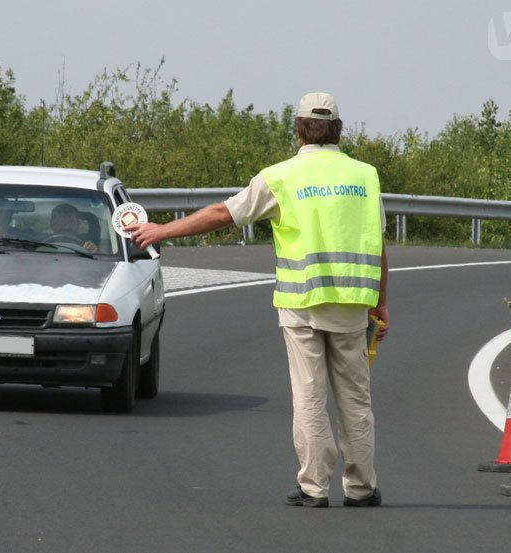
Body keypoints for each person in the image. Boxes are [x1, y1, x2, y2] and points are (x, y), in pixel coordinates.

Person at [129, 92, 390, 508]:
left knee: (309, 397)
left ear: (300, 128)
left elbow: (222, 214)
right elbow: (377, 246)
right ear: (338, 128)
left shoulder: (281, 176)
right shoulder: (366, 176)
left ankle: (314, 487)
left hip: (302, 302)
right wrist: (381, 301)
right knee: (355, 399)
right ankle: (361, 488)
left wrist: (163, 231)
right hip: (353, 304)